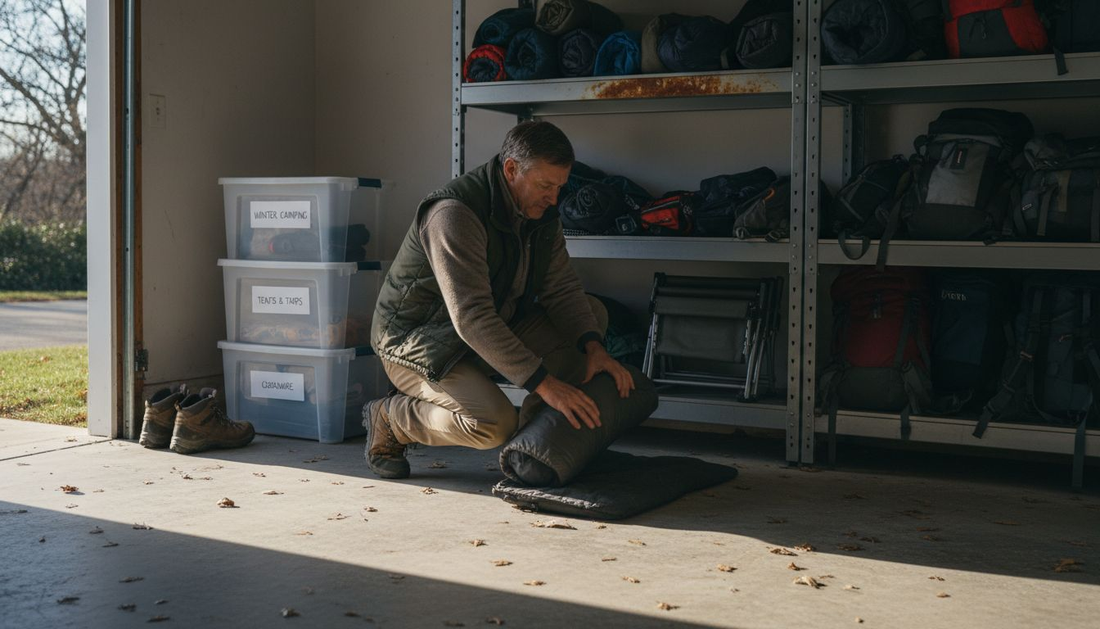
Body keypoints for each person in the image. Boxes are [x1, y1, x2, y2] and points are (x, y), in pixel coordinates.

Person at [364, 121, 635, 479]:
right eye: (545, 185)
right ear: (511, 170)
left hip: (486, 327)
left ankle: (535, 444)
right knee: (491, 424)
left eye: (559, 187)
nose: (554, 198)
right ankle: (392, 418)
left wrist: (595, 348)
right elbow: (472, 316)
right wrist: (546, 384)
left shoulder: (541, 211)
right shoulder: (455, 213)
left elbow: (562, 288)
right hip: (419, 341)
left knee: (592, 315)